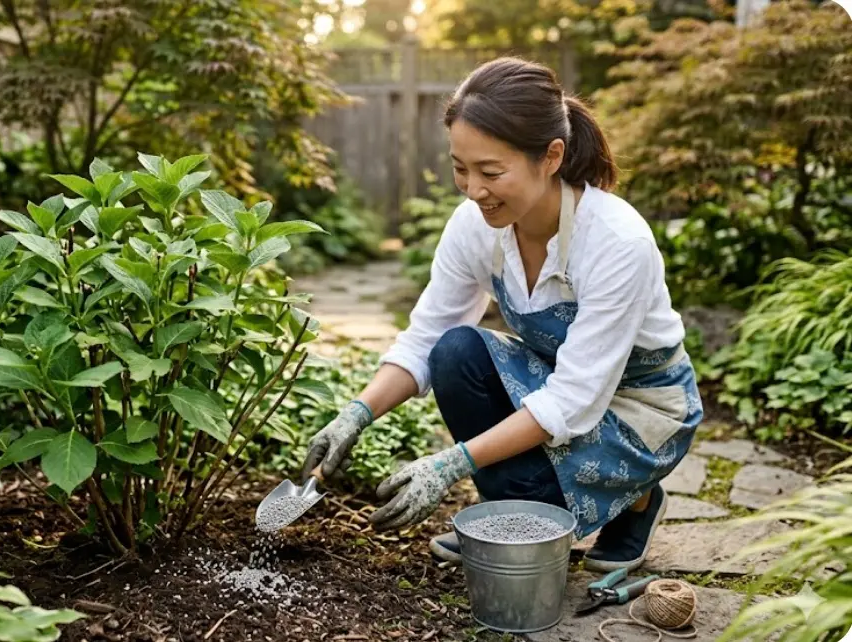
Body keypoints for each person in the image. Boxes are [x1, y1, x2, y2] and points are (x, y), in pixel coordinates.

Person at [300, 57, 702, 573]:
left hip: (642, 406)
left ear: (551, 156)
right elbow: (427, 336)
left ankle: (637, 500)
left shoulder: (616, 241)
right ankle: (522, 513)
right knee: (456, 352)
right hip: (563, 380)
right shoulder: (475, 225)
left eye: (491, 172)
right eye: (460, 168)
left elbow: (574, 400)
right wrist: (356, 414)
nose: (472, 189)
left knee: (531, 498)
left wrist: (451, 465)